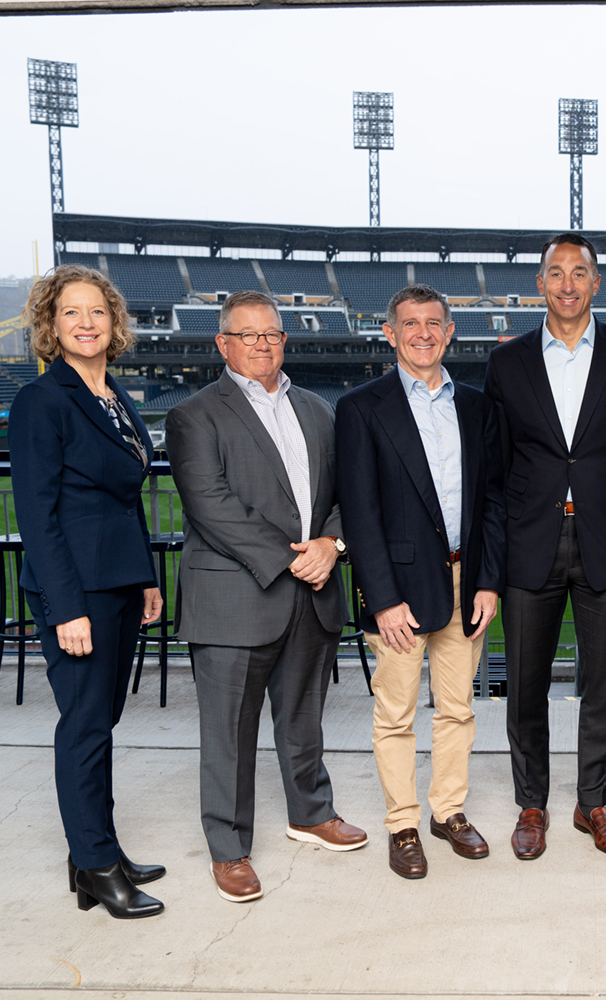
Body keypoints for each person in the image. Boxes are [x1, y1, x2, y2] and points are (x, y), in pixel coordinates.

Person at [166, 289, 367, 906]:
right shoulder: (195, 414)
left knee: (303, 717)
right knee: (229, 731)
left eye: (271, 334)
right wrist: (293, 557)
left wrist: (330, 544)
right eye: (247, 334)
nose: (261, 344)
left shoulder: (316, 409)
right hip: (236, 597)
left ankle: (310, 812)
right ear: (222, 344)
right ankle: (229, 848)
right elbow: (212, 505)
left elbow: (347, 492)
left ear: (285, 341)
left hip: (314, 588)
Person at [482, 234, 606, 861]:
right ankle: (531, 804)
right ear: (540, 283)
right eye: (555, 273)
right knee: (525, 684)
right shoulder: (507, 364)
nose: (566, 284)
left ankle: (594, 803)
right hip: (531, 541)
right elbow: (497, 471)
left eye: (578, 273)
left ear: (595, 283)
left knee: (605, 681)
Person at [9, 264, 166, 919]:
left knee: (102, 722)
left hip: (120, 583)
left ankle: (96, 851)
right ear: (51, 324)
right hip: (78, 591)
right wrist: (66, 606)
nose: (86, 323)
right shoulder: (43, 401)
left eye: (97, 311)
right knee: (84, 728)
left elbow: (125, 497)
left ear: (114, 322)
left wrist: (148, 579)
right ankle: (98, 868)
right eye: (71, 312)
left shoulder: (112, 395)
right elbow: (37, 515)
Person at [335, 284, 506, 880]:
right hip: (400, 591)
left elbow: (493, 502)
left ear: (450, 331)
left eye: (434, 323)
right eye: (411, 324)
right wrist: (382, 599)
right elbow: (358, 511)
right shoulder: (361, 407)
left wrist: (488, 581)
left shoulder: (479, 408)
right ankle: (402, 823)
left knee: (458, 710)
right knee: (397, 714)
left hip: (468, 581)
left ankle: (448, 811)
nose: (424, 333)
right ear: (390, 332)